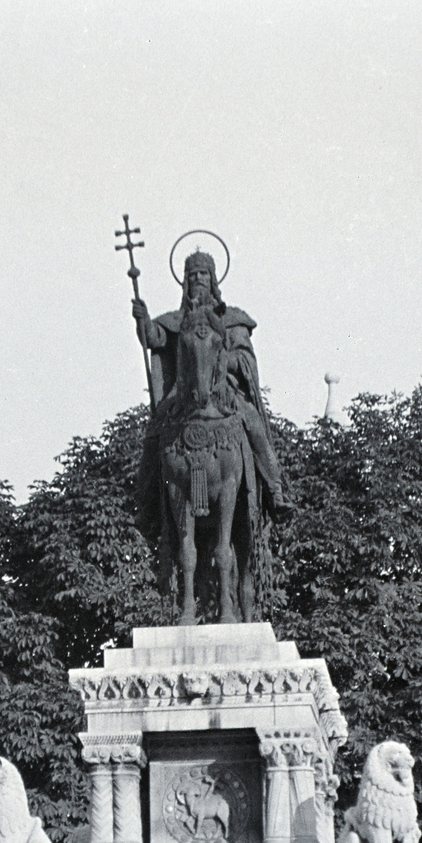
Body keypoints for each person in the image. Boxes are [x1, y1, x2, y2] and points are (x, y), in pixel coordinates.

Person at [131, 250, 282, 620]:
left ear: (214, 279)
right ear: (184, 281)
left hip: (226, 396)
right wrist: (143, 321)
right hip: (184, 399)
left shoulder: (232, 320)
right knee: (155, 436)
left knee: (253, 422)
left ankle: (275, 487)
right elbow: (155, 338)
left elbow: (245, 358)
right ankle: (147, 500)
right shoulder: (176, 321)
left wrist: (224, 359)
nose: (197, 279)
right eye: (191, 274)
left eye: (203, 273)